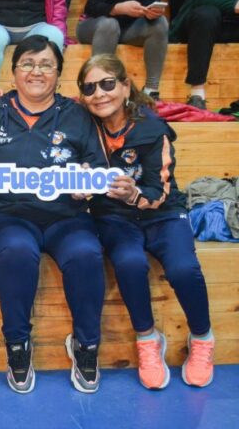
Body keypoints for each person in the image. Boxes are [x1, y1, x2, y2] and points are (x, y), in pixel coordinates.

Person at [0, 35, 107, 394]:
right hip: (9, 215)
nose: (36, 72)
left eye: (46, 65)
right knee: (16, 252)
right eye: (27, 63)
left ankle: (86, 345)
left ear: (58, 73)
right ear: (13, 72)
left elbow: (97, 165)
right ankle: (17, 345)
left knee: (86, 254)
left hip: (66, 216)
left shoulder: (77, 114)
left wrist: (89, 180)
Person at [77, 53, 214, 390]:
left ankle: (202, 338)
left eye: (108, 84)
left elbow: (160, 190)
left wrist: (134, 194)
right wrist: (76, 184)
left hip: (162, 212)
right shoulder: (80, 125)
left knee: (183, 268)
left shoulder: (152, 128)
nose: (99, 93)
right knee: (129, 262)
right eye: (89, 87)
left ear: (126, 86)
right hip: (114, 217)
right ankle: (147, 340)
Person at [76, 0, 167, 100]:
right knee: (109, 24)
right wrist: (118, 8)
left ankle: (151, 90)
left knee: (160, 23)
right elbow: (93, 5)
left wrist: (150, 12)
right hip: (96, 25)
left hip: (130, 27)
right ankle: (99, 86)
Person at [169, 0, 239, 110]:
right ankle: (197, 95)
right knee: (207, 15)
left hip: (233, 24)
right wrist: (235, 5)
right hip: (202, 24)